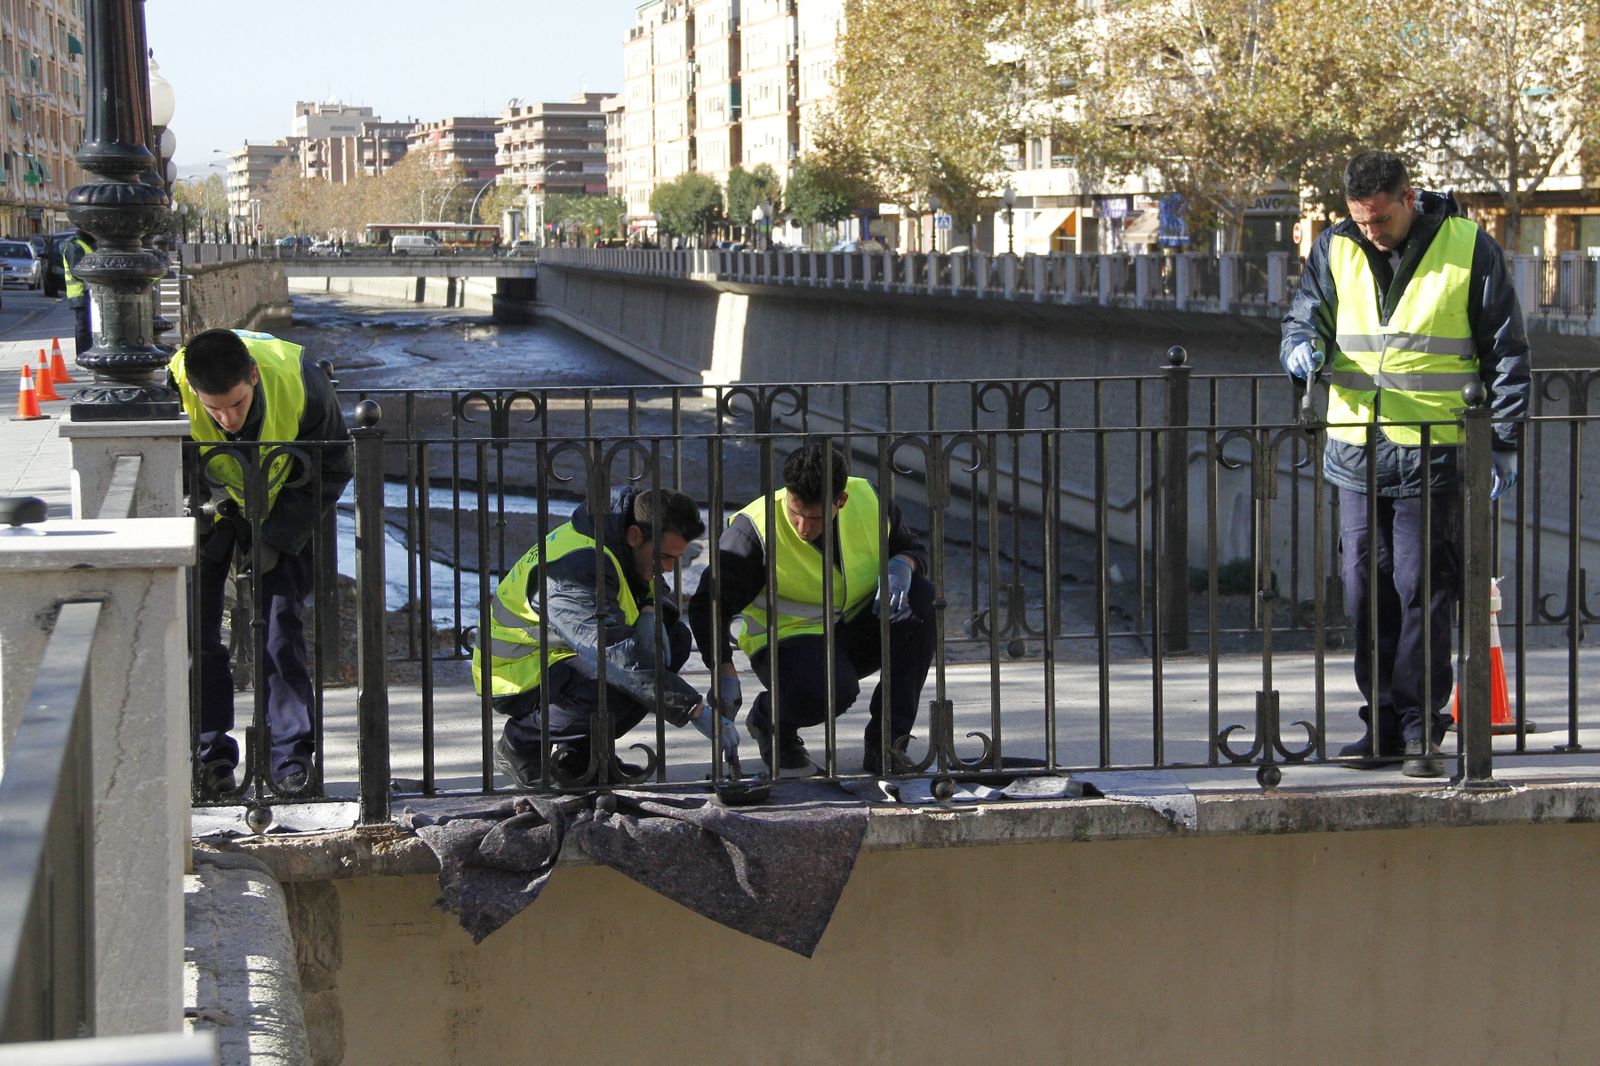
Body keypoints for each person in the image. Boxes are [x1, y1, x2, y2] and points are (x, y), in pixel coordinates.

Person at [1280, 150, 1531, 777]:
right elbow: (1302, 318)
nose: (1370, 230)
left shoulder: (1469, 246)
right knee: (1366, 594)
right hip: (1356, 448)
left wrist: (1500, 438)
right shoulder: (1334, 246)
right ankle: (1383, 729)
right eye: (1360, 220)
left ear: (1408, 197)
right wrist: (1300, 346)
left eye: (1380, 219)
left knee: (1424, 591)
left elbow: (1506, 347)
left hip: (1436, 448)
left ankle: (1424, 732)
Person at [172, 328, 353, 797]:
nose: (228, 419)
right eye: (215, 409)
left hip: (283, 505)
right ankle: (209, 755)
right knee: (199, 636)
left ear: (253, 375)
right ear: (194, 391)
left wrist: (280, 535)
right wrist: (203, 506)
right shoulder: (171, 387)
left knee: (280, 632)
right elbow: (164, 461)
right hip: (210, 510)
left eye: (238, 403)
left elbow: (333, 464)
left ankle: (290, 758)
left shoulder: (303, 383)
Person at [688, 442, 934, 777]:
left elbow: (912, 548)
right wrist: (723, 669)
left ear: (840, 501)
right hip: (788, 644)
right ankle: (770, 721)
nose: (803, 527)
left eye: (815, 518)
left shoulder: (869, 500)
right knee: (832, 690)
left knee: (923, 600)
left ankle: (888, 744)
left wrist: (902, 565)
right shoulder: (752, 531)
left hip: (853, 629)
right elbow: (707, 604)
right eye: (796, 513)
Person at [474, 487, 735, 786]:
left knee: (673, 640)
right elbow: (614, 655)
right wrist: (694, 708)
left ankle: (583, 757)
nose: (666, 567)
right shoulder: (576, 569)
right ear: (635, 535)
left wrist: (653, 609)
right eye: (663, 556)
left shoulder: (616, 537)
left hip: (561, 655)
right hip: (515, 673)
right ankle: (521, 744)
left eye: (674, 558)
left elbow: (648, 584)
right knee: (615, 685)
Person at [62, 230, 93, 355]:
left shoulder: (83, 245)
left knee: (87, 325)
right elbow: (76, 271)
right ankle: (82, 353)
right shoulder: (76, 246)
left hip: (86, 291)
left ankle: (86, 351)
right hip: (80, 292)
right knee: (83, 326)